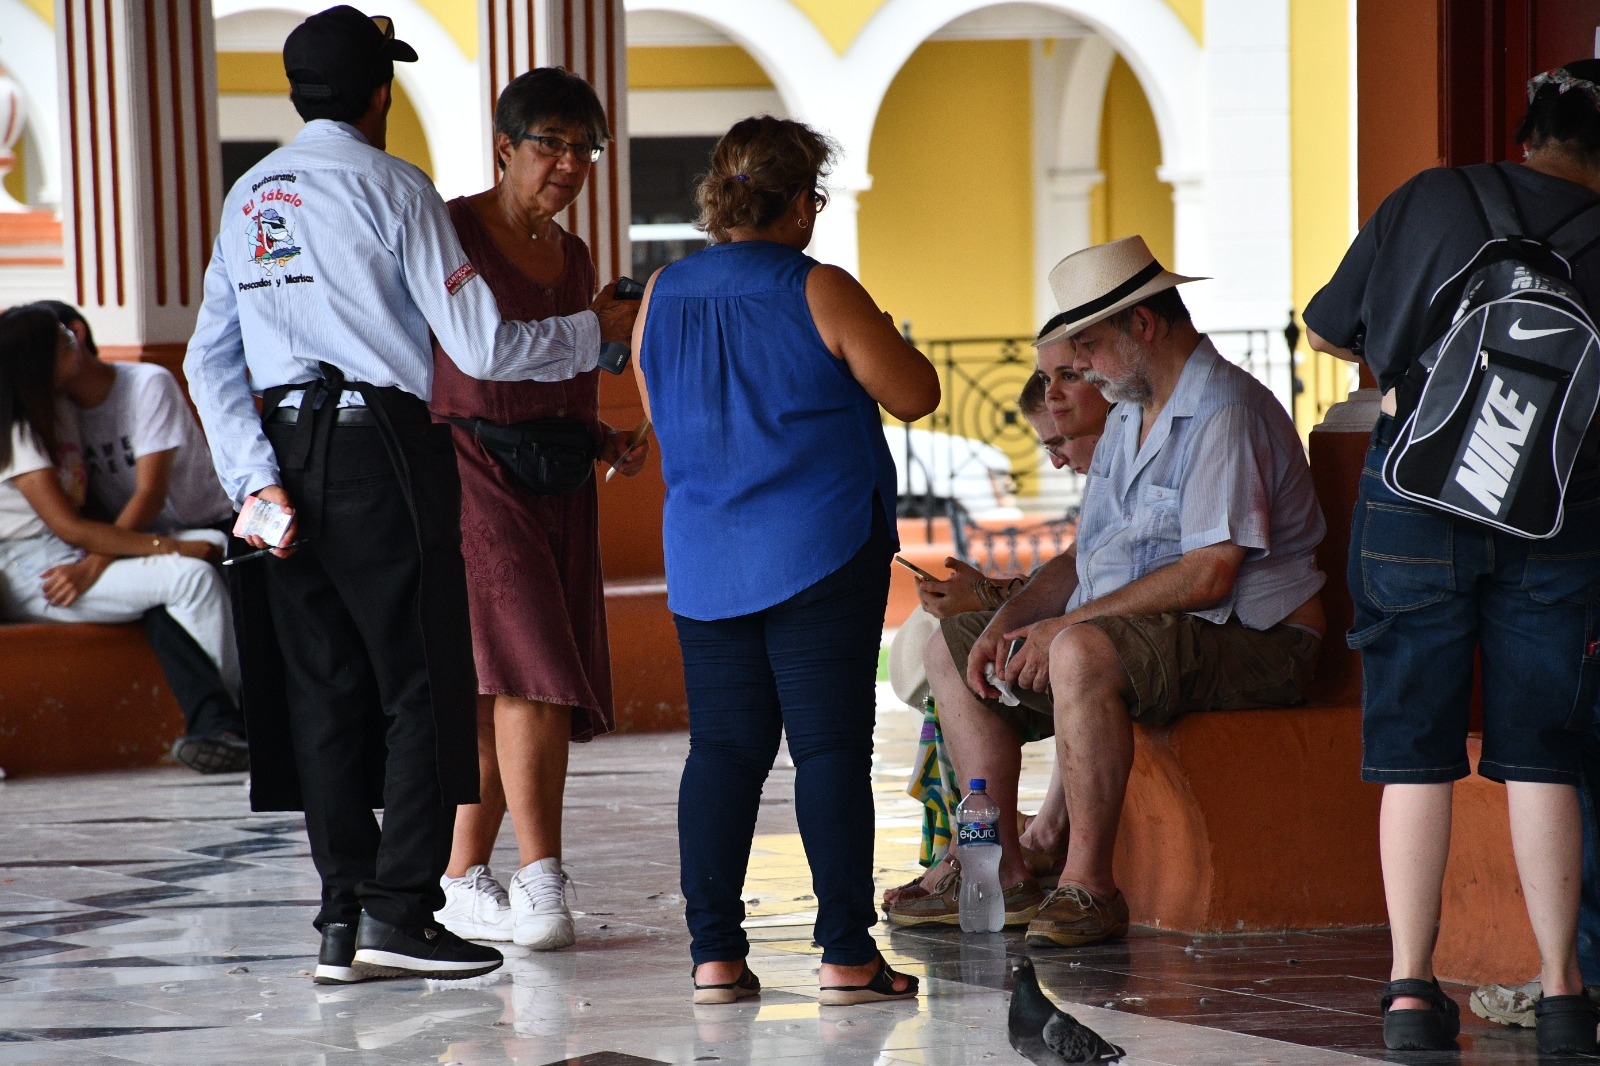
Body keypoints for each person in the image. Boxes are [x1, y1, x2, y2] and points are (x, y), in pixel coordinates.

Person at [183, 6, 639, 985]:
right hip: (385, 449)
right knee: (423, 686)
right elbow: (476, 343)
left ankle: (340, 921)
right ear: (380, 93)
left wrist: (253, 481)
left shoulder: (249, 194)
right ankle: (402, 910)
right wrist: (588, 333)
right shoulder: (396, 188)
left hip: (281, 458)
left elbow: (207, 356)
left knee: (325, 696)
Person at [887, 236, 1326, 940]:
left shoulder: (1224, 412)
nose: (1081, 365)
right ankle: (995, 867)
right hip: (1165, 632)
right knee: (950, 648)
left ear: (1143, 327)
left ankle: (1087, 884)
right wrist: (1010, 621)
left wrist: (1064, 627)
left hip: (1254, 639)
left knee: (1081, 651)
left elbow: (1211, 571)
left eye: (1087, 345)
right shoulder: (1129, 413)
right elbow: (1081, 558)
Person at [1304, 59, 1600, 1054]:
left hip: (1414, 501)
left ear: (1526, 126)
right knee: (1538, 754)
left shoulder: (1432, 194)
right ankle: (1563, 992)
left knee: (1414, 756)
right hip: (1556, 519)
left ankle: (1406, 991)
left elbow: (1333, 328)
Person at [632, 115, 940, 1005]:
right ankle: (846, 954)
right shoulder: (821, 289)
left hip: (705, 555)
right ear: (803, 204)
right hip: (819, 550)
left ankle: (715, 958)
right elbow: (915, 393)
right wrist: (875, 325)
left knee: (723, 753)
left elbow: (659, 409)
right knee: (831, 750)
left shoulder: (663, 293)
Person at [428, 68, 648, 952]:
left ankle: (456, 880)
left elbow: (568, 374)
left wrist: (602, 442)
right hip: (473, 467)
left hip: (554, 480)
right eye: (549, 145)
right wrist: (593, 330)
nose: (567, 164)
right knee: (530, 671)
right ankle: (542, 876)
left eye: (583, 148)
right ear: (504, 148)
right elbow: (474, 359)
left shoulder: (576, 254)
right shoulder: (451, 229)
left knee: (497, 695)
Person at [36, 301, 248, 774]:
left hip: (207, 523)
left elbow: (150, 493)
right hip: (134, 541)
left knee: (196, 592)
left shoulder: (146, 382)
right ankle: (223, 726)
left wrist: (94, 564)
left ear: (75, 333)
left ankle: (230, 722)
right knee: (158, 602)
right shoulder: (60, 413)